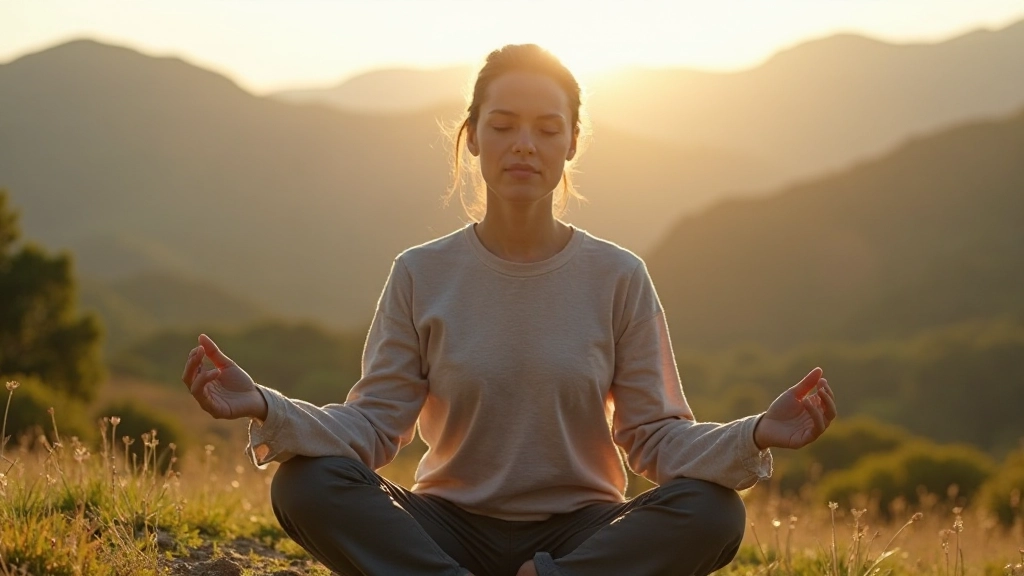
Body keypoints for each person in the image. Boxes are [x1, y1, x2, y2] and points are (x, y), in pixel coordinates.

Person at [181, 44, 837, 576]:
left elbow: (656, 438)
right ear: (472, 137)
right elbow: (373, 426)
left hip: (582, 533)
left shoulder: (619, 277)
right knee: (303, 485)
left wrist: (756, 433)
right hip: (446, 528)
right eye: (502, 126)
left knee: (714, 512)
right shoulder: (420, 273)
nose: (524, 144)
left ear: (572, 142)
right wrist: (265, 404)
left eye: (547, 129)